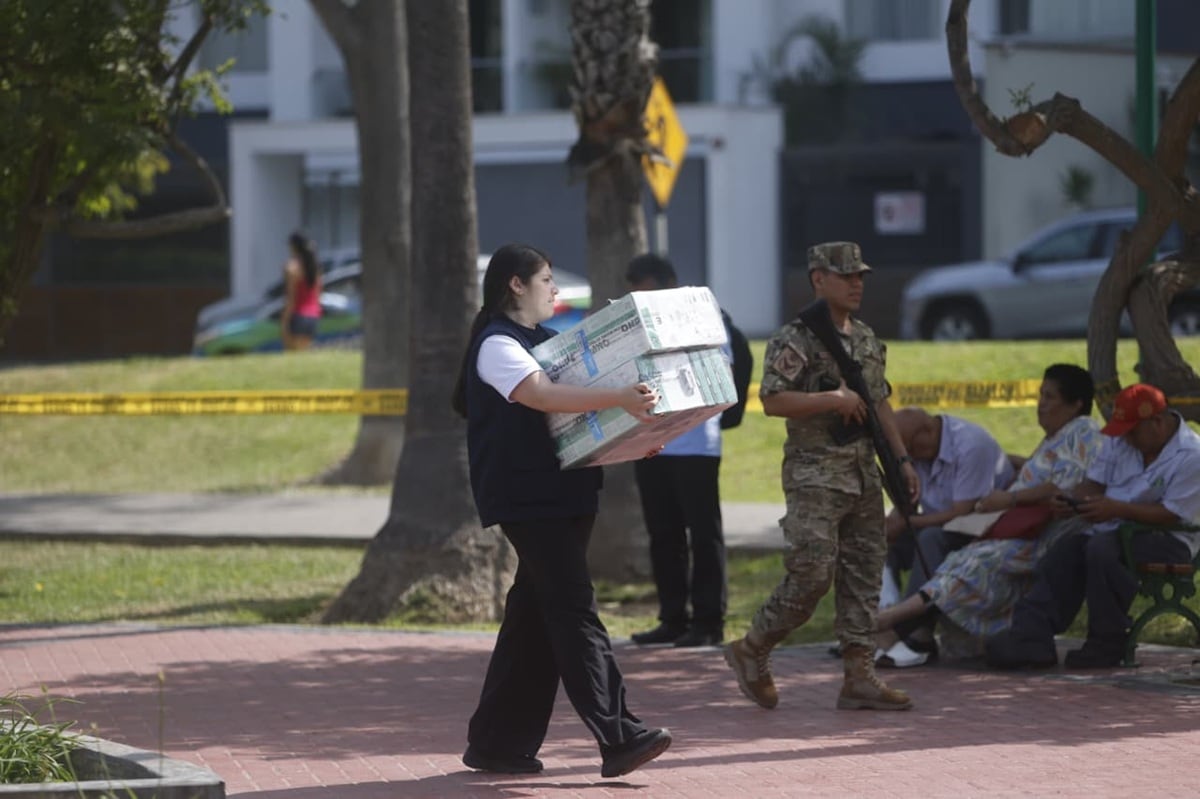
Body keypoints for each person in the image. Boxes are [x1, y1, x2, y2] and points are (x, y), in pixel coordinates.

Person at [452, 243, 672, 779]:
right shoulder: (496, 346)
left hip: (566, 494)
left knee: (533, 616)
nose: (555, 289)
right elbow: (545, 397)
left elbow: (578, 421)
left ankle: (496, 744)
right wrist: (620, 398)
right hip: (529, 500)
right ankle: (619, 735)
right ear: (515, 285)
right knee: (572, 610)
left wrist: (637, 436)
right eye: (547, 279)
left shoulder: (546, 343)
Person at [723, 241, 919, 712]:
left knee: (864, 575)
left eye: (861, 276)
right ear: (818, 279)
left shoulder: (868, 339)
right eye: (846, 275)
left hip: (863, 473)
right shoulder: (796, 337)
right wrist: (832, 400)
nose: (856, 284)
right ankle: (753, 647)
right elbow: (773, 400)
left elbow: (879, 402)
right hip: (815, 473)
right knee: (811, 574)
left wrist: (903, 461)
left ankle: (859, 676)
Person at [873, 364, 1103, 660]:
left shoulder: (1083, 431)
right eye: (1039, 395)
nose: (1040, 405)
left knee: (966, 562)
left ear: (1075, 405)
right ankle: (898, 626)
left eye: (1049, 397)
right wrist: (1011, 463)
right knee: (943, 553)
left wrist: (1009, 498)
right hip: (1007, 530)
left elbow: (1061, 486)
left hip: (1039, 538)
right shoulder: (1055, 438)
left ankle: (892, 624)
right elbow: (1040, 470)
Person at [985, 383, 1200, 670]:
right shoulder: (1119, 440)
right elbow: (1093, 484)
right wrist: (1072, 499)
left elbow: (1170, 514)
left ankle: (1107, 641)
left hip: (1170, 538)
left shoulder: (1192, 456)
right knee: (1066, 549)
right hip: (1112, 527)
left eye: (1132, 432)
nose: (1126, 438)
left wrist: (1117, 508)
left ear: (1157, 423)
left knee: (1102, 549)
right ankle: (1031, 638)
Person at [624, 253, 729, 648]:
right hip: (651, 444)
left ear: (668, 286)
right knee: (662, 534)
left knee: (703, 535)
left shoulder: (702, 315)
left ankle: (708, 622)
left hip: (696, 446)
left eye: (647, 293)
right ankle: (672, 618)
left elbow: (722, 369)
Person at [878, 407, 1015, 665]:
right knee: (880, 541)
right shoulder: (913, 454)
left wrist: (907, 524)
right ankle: (885, 616)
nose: (906, 458)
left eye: (907, 449)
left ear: (927, 433)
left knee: (929, 539)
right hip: (936, 525)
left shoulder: (971, 445)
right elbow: (907, 504)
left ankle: (906, 631)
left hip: (977, 531)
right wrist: (893, 522)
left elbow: (960, 513)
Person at [281, 232, 322, 351]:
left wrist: (284, 322)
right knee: (303, 354)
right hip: (313, 316)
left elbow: (291, 299)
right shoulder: (315, 268)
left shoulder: (292, 268)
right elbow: (318, 295)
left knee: (292, 355)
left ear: (293, 247)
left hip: (298, 316)